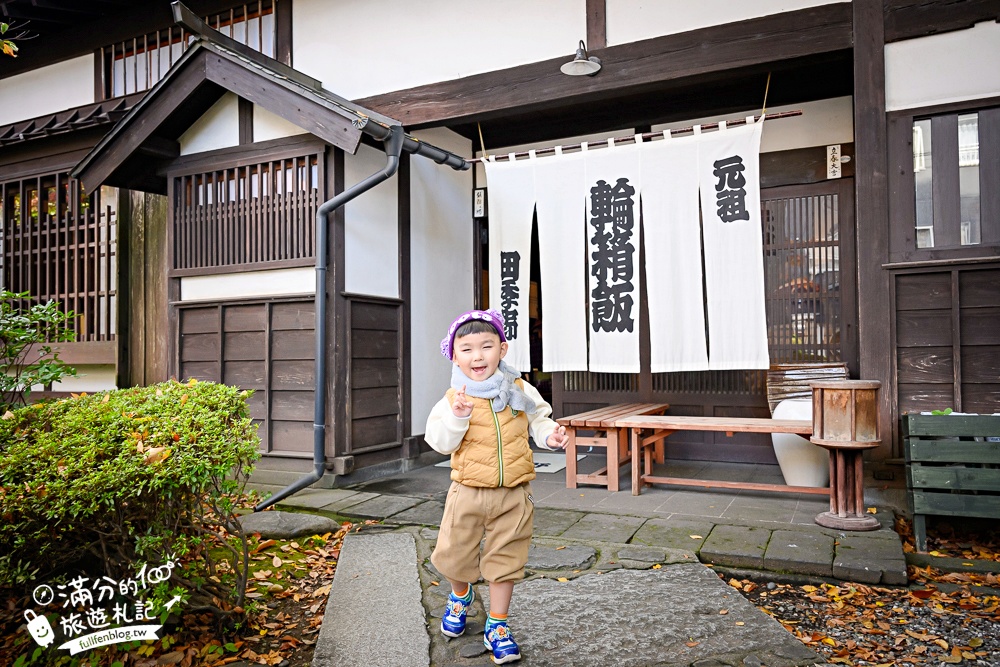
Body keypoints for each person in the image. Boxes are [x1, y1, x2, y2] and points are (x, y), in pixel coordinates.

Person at [425, 309, 569, 664]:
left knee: (507, 559)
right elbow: (440, 442)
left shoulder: (519, 389)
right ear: (454, 356)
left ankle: (498, 625)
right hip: (468, 491)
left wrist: (550, 436)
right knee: (454, 554)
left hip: (514, 493)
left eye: (486, 347)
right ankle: (460, 596)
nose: (478, 356)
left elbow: (538, 417)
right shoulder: (453, 399)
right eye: (468, 349)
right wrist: (459, 416)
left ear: (502, 350)